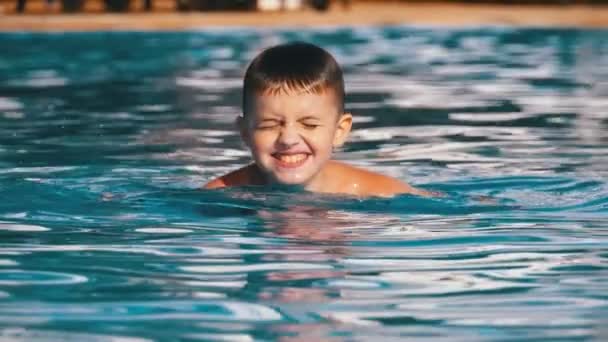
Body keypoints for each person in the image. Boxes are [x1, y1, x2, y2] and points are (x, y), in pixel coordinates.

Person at [204, 42, 430, 198]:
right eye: (269, 125)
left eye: (309, 124)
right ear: (245, 131)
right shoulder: (220, 194)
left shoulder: (376, 192)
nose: (289, 139)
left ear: (339, 130)